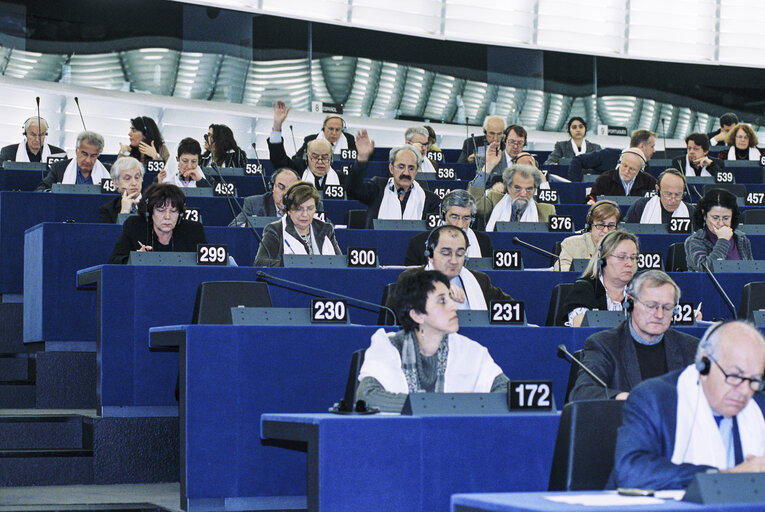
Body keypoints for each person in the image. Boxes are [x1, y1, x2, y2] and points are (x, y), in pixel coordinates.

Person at [610, 321, 765, 490]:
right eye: (735, 376)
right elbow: (631, 473)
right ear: (704, 365)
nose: (744, 391)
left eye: (755, 380)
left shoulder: (758, 406)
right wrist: (724, 477)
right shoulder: (654, 399)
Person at [357, 269, 510, 413]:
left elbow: (505, 391)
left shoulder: (470, 350)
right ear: (417, 315)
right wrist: (444, 404)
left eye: (450, 298)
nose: (453, 306)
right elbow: (367, 396)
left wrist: (470, 404)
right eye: (442, 301)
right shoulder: (388, 346)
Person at [569, 270, 699, 401]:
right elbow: (582, 392)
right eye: (651, 306)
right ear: (631, 302)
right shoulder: (604, 345)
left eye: (667, 307)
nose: (659, 315)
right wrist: (623, 398)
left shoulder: (691, 348)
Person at [393, 225, 511, 311]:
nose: (454, 260)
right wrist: (436, 288)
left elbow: (513, 311)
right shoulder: (411, 279)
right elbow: (399, 314)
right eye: (446, 253)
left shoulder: (480, 280)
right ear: (430, 255)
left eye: (460, 254)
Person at [346, 132, 440, 229]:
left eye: (411, 168)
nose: (406, 173)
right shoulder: (377, 188)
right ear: (391, 168)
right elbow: (352, 190)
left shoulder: (430, 200)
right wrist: (362, 159)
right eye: (401, 167)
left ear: (416, 171)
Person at [107, 183, 206, 264]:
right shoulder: (135, 226)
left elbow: (207, 264)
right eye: (161, 210)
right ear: (149, 212)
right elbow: (114, 262)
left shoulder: (194, 231)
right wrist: (135, 258)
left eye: (173, 211)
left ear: (179, 214)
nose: (167, 217)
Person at [559, 229, 639, 327]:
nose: (630, 264)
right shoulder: (585, 288)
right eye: (622, 257)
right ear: (602, 260)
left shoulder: (641, 291)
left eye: (633, 257)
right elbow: (582, 329)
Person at [253, 181, 341, 266]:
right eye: (299, 209)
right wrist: (292, 263)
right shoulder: (275, 230)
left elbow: (340, 263)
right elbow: (260, 262)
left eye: (310, 208)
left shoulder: (325, 229)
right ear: (288, 210)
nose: (305, 214)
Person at [404, 190, 493, 266]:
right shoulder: (418, 243)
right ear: (443, 215)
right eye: (454, 217)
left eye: (466, 218)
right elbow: (411, 281)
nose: (460, 225)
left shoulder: (483, 242)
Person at [268, 100, 356, 174]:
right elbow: (282, 163)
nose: (334, 133)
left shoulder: (350, 143)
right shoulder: (310, 142)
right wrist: (277, 125)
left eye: (338, 130)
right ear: (324, 127)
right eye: (331, 129)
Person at [684, 188, 752, 272]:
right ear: (704, 215)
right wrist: (723, 241)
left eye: (726, 218)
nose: (721, 223)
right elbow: (706, 271)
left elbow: (751, 271)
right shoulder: (694, 241)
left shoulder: (741, 239)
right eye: (715, 218)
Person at [471, 164, 556, 231]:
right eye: (517, 188)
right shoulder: (495, 200)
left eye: (529, 189)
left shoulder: (547, 210)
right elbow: (474, 203)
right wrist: (487, 167)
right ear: (508, 187)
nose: (523, 194)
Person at [568, 129, 656, 182]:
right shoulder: (608, 155)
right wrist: (576, 186)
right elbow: (577, 160)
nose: (654, 150)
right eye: (652, 146)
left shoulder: (645, 168)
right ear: (642, 146)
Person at [556, 200, 621, 271]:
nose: (606, 230)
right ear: (590, 226)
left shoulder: (623, 247)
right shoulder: (571, 244)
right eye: (600, 225)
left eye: (611, 226)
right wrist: (582, 266)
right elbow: (560, 270)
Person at [37, 131, 109, 190]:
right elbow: (41, 190)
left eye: (93, 156)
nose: (88, 160)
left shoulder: (108, 171)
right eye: (84, 154)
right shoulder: (59, 168)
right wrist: (50, 193)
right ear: (76, 151)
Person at [229, 167, 300, 226]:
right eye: (281, 187)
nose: (285, 193)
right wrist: (250, 226)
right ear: (272, 187)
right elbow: (234, 227)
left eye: (291, 189)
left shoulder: (303, 205)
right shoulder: (255, 204)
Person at [624, 169, 695, 225]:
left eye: (678, 194)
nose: (673, 200)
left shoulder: (691, 212)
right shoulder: (641, 207)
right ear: (657, 189)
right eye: (668, 194)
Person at [587, 147, 657, 203]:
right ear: (620, 162)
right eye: (624, 166)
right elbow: (591, 198)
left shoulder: (650, 182)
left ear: (640, 170)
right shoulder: (604, 179)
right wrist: (590, 203)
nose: (626, 171)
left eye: (632, 169)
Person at [99, 157, 144, 223]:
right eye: (127, 178)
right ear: (115, 182)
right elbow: (111, 233)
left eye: (137, 177)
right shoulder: (108, 210)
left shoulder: (153, 204)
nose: (134, 183)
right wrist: (124, 213)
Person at [0, 117, 65, 162]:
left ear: (46, 134)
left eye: (41, 135)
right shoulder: (7, 153)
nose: (37, 139)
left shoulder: (59, 154)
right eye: (33, 135)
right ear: (25, 134)